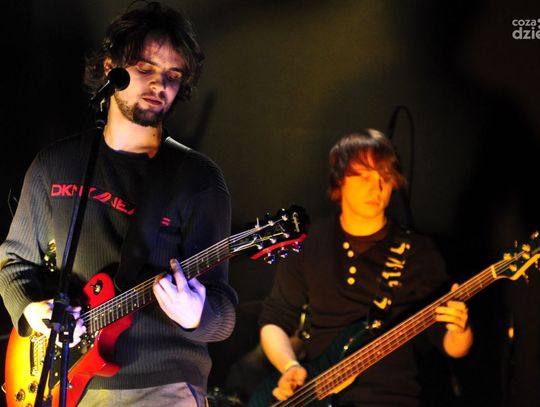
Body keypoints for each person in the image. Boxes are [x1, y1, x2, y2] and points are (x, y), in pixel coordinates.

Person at [0, 2, 237, 406]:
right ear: (111, 67)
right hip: (60, 383)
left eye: (173, 75)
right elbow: (14, 263)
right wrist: (32, 311)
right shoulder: (55, 165)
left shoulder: (197, 179)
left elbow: (223, 309)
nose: (160, 84)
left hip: (161, 384)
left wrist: (197, 314)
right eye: (145, 68)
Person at [255, 130, 473, 406]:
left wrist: (460, 330)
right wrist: (290, 367)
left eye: (385, 177)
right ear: (340, 180)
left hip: (390, 398)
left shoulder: (419, 252)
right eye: (364, 176)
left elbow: (452, 347)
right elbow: (275, 321)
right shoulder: (309, 243)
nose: (376, 188)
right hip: (317, 395)